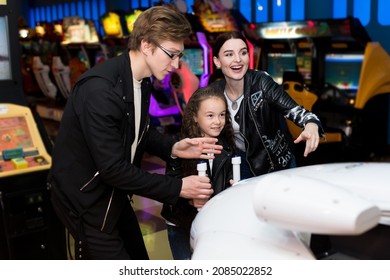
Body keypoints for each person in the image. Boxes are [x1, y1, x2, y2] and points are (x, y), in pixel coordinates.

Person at [47, 6, 223, 260]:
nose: (175, 65)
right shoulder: (100, 91)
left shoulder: (142, 80)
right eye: (171, 55)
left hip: (114, 193)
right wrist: (178, 187)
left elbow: (140, 129)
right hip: (86, 201)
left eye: (179, 56)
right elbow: (113, 169)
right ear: (147, 45)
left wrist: (172, 147)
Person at [209, 31, 324, 179]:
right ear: (217, 61)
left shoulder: (261, 82)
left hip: (275, 162)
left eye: (243, 53)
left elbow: (302, 114)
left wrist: (311, 125)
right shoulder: (214, 92)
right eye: (229, 54)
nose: (238, 59)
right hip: (239, 162)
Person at [161, 86, 237, 260]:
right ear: (195, 116)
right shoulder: (181, 147)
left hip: (211, 222)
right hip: (181, 223)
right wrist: (189, 198)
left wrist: (232, 188)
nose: (217, 121)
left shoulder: (227, 148)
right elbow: (169, 188)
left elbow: (227, 183)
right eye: (210, 115)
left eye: (222, 114)